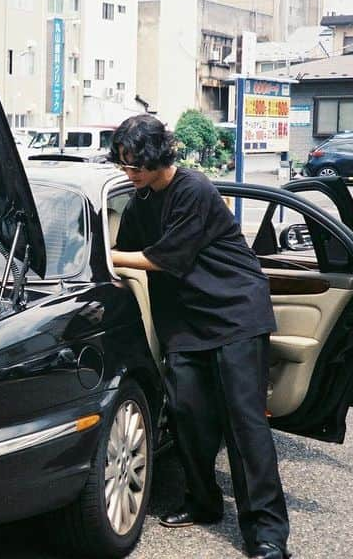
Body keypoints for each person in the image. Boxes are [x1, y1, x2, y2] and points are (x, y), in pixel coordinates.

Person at [108, 114, 289, 559]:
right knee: (189, 415)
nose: (127, 174)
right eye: (123, 166)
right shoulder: (141, 198)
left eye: (133, 166)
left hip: (235, 313)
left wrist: (108, 254)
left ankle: (266, 533)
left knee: (244, 423)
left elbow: (164, 258)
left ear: (156, 159)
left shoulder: (195, 191)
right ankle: (203, 503)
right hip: (186, 323)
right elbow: (120, 254)